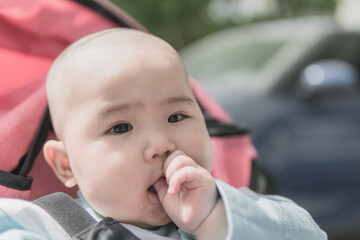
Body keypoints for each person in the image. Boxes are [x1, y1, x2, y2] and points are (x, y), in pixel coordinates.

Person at [0, 28, 327, 239]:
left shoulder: (237, 208)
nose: (160, 144)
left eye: (176, 116)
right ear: (66, 164)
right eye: (121, 127)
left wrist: (212, 220)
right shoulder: (37, 227)